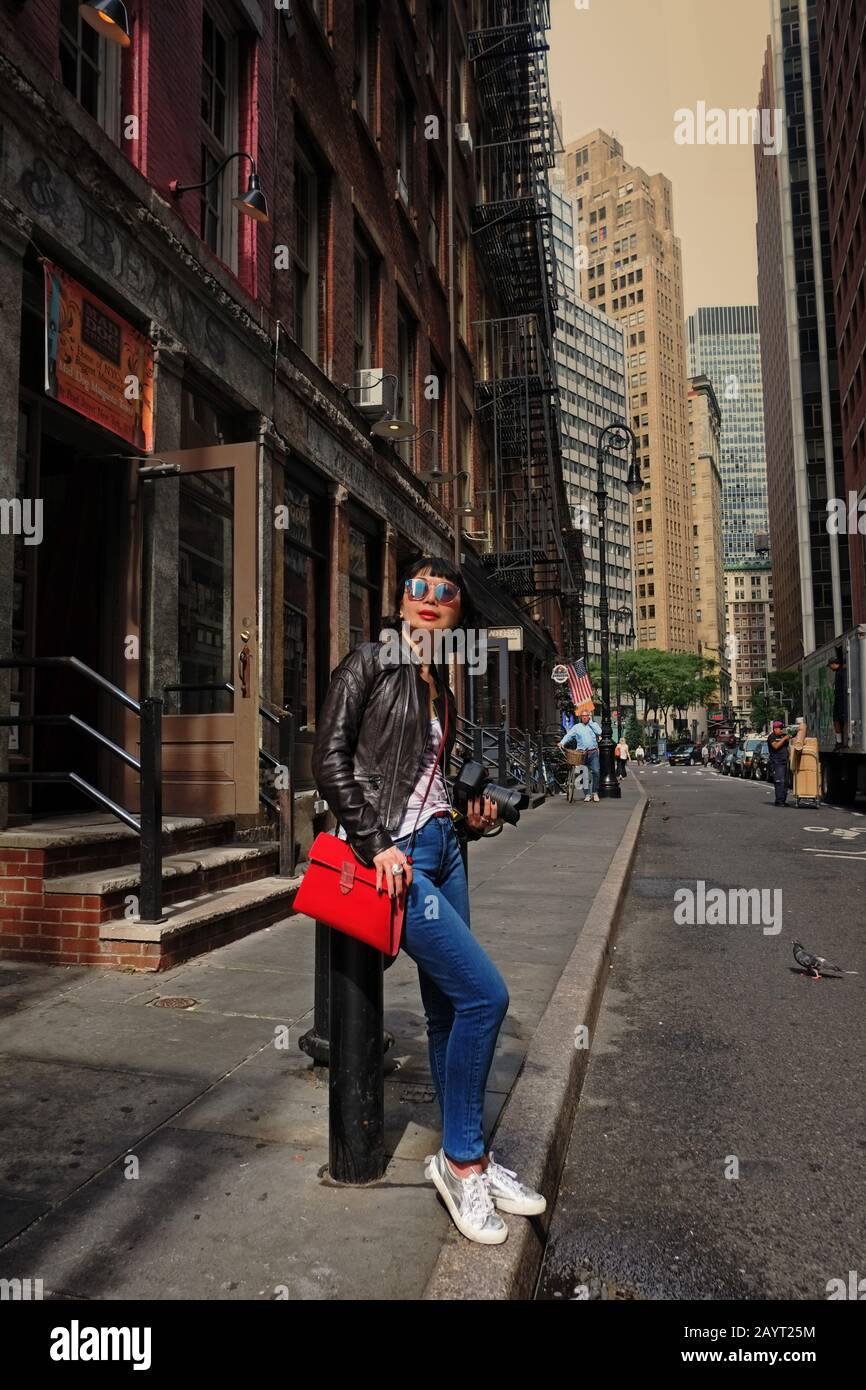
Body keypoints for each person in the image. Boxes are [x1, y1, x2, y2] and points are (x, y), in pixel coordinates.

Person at [312, 555, 545, 1246]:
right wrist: (375, 839)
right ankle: (462, 1162)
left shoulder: (436, 681)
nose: (428, 600)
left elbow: (425, 777)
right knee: (485, 997)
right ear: (400, 600)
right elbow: (328, 758)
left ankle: (466, 1149)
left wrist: (470, 812)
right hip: (403, 861)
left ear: (454, 617)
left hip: (446, 849)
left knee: (448, 1008)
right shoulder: (370, 661)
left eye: (444, 595)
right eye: (417, 589)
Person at [559, 708, 602, 802]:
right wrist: (562, 742)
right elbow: (569, 735)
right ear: (580, 717)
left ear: (589, 717)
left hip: (593, 752)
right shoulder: (577, 727)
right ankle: (587, 794)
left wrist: (590, 722)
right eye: (583, 716)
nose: (585, 718)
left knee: (596, 772)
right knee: (584, 774)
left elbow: (599, 732)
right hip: (581, 754)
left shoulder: (593, 725)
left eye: (586, 716)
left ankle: (594, 792)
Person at [766, 718, 791, 806]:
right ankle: (779, 801)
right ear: (775, 728)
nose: (781, 730)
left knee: (785, 783)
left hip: (784, 762)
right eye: (780, 728)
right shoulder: (771, 737)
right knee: (780, 781)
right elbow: (775, 746)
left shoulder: (782, 736)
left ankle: (783, 800)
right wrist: (784, 739)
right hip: (777, 762)